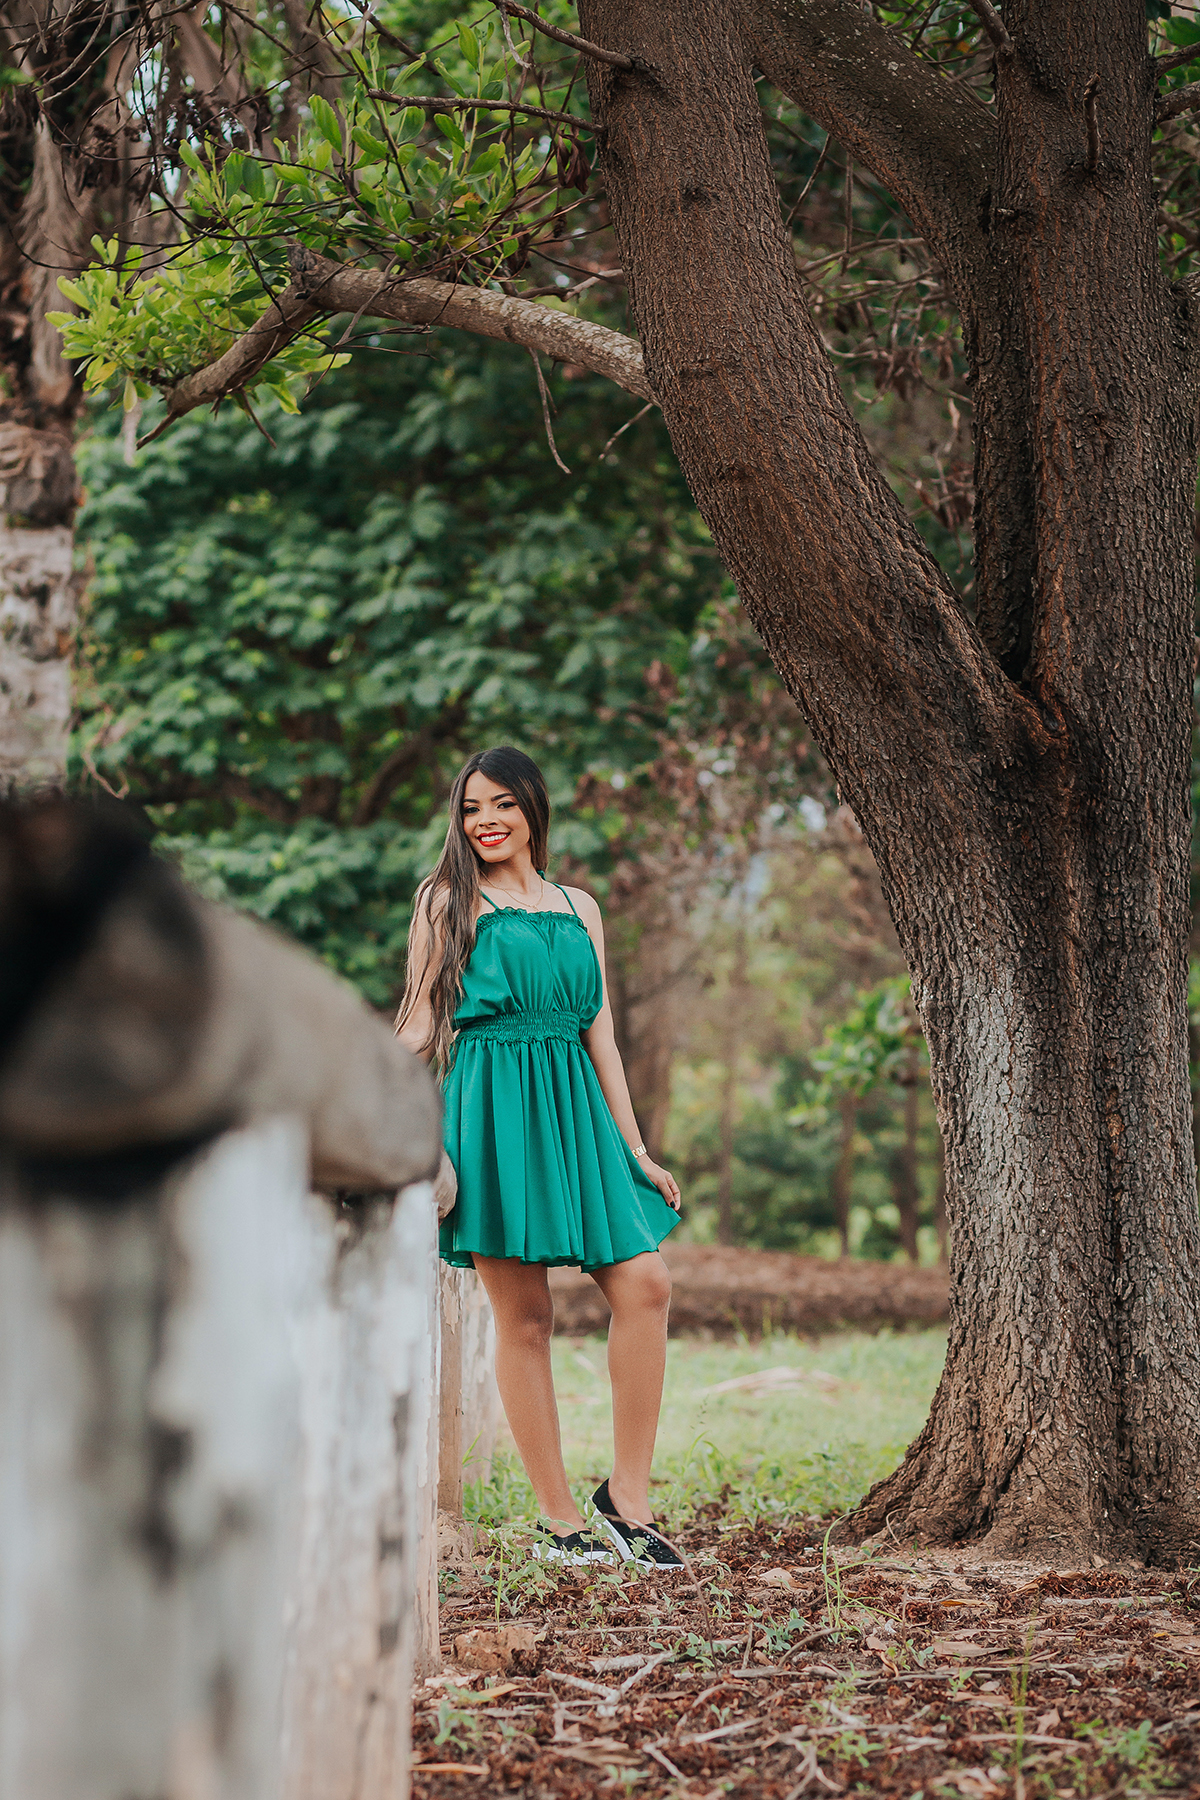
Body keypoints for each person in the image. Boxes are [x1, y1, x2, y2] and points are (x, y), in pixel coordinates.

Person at [395, 746, 684, 1567]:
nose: (484, 822)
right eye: (470, 809)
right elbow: (419, 1024)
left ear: (531, 809)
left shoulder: (578, 906)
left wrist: (634, 1148)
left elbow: (603, 1038)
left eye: (501, 806)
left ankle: (627, 1499)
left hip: (576, 1115)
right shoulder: (447, 901)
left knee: (646, 1282)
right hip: (491, 1113)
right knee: (525, 1318)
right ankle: (561, 1523)